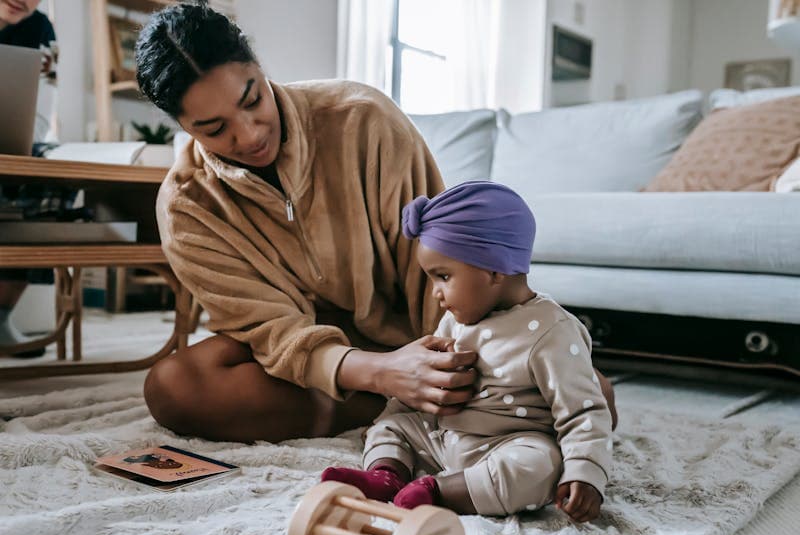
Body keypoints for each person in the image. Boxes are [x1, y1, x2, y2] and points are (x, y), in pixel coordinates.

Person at [135, 3, 616, 445]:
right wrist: (377, 372)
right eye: (214, 129)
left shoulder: (361, 120)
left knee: (593, 396)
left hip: (419, 334)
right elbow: (270, 331)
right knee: (174, 387)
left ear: (260, 69)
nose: (249, 134)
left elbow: (434, 264)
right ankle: (400, 405)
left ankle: (416, 404)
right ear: (184, 127)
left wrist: (453, 361)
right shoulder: (187, 207)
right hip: (319, 359)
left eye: (252, 100)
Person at [322, 181, 615, 522]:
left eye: (443, 277)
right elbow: (427, 384)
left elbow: (584, 412)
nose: (436, 293)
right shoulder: (455, 322)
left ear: (493, 270)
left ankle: (439, 493)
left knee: (542, 466)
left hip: (511, 444)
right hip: (445, 438)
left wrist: (585, 473)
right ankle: (385, 477)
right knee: (392, 426)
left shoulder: (552, 331)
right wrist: (391, 418)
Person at [0, 0, 57, 358]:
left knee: (47, 178)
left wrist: (21, 144)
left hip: (12, 144)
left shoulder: (41, 29)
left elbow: (41, 104)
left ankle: (1, 314)